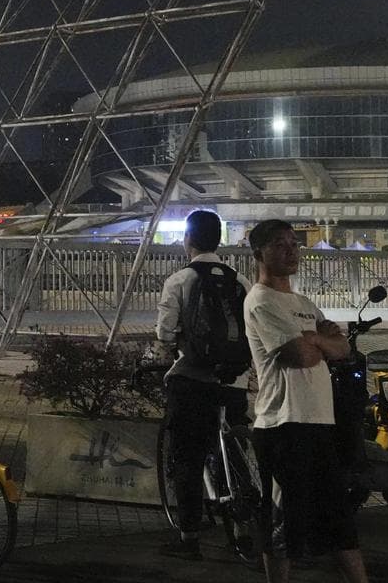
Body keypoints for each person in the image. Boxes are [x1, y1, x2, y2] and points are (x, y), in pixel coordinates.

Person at [243, 219, 369, 583]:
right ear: (259, 254)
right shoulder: (260, 300)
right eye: (280, 245)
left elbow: (342, 348)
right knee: (283, 520)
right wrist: (317, 341)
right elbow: (300, 356)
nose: (291, 251)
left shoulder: (302, 302)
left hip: (319, 421)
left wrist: (315, 341)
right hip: (282, 424)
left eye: (294, 244)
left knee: (339, 514)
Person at [154, 209, 252, 560]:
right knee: (237, 450)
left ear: (188, 241)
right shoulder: (240, 281)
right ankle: (247, 517)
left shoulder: (180, 280)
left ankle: (189, 537)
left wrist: (163, 357)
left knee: (187, 458)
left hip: (193, 379)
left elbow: (165, 334)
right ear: (220, 240)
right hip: (235, 380)